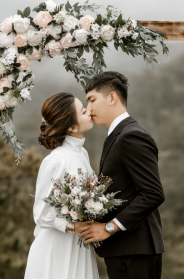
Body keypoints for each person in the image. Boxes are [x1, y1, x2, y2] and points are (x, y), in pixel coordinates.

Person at [78, 71, 166, 279]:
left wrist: (109, 227)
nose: (88, 108)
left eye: (92, 99)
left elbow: (153, 193)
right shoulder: (116, 135)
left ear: (111, 97)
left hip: (137, 250)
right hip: (123, 250)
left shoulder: (131, 135)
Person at [24, 92, 99, 279]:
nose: (89, 111)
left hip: (79, 246)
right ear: (72, 126)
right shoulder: (56, 160)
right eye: (83, 111)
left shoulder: (83, 154)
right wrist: (73, 227)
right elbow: (41, 215)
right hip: (57, 248)